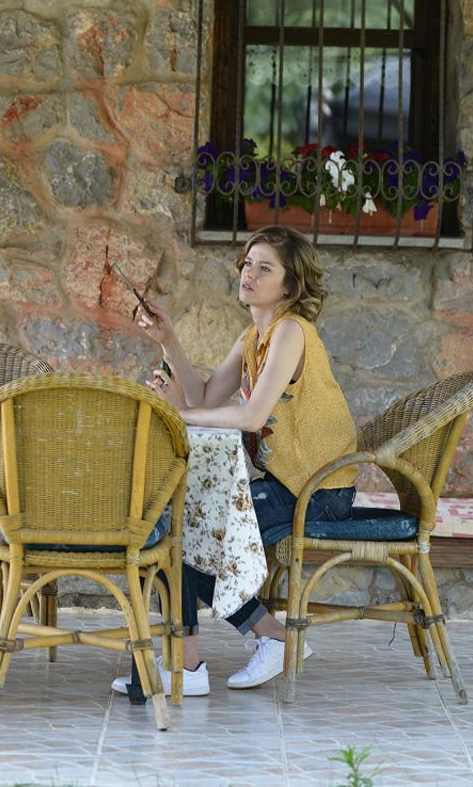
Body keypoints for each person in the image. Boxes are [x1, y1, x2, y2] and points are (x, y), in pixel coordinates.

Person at [113, 225, 358, 696]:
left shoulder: (291, 332)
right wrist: (168, 340)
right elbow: (206, 396)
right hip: (288, 485)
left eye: (265, 268)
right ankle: (257, 640)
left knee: (182, 532)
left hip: (320, 491)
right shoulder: (252, 337)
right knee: (176, 528)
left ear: (289, 286)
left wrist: (179, 412)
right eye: (247, 264)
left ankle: (190, 667)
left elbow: (250, 416)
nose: (249, 273)